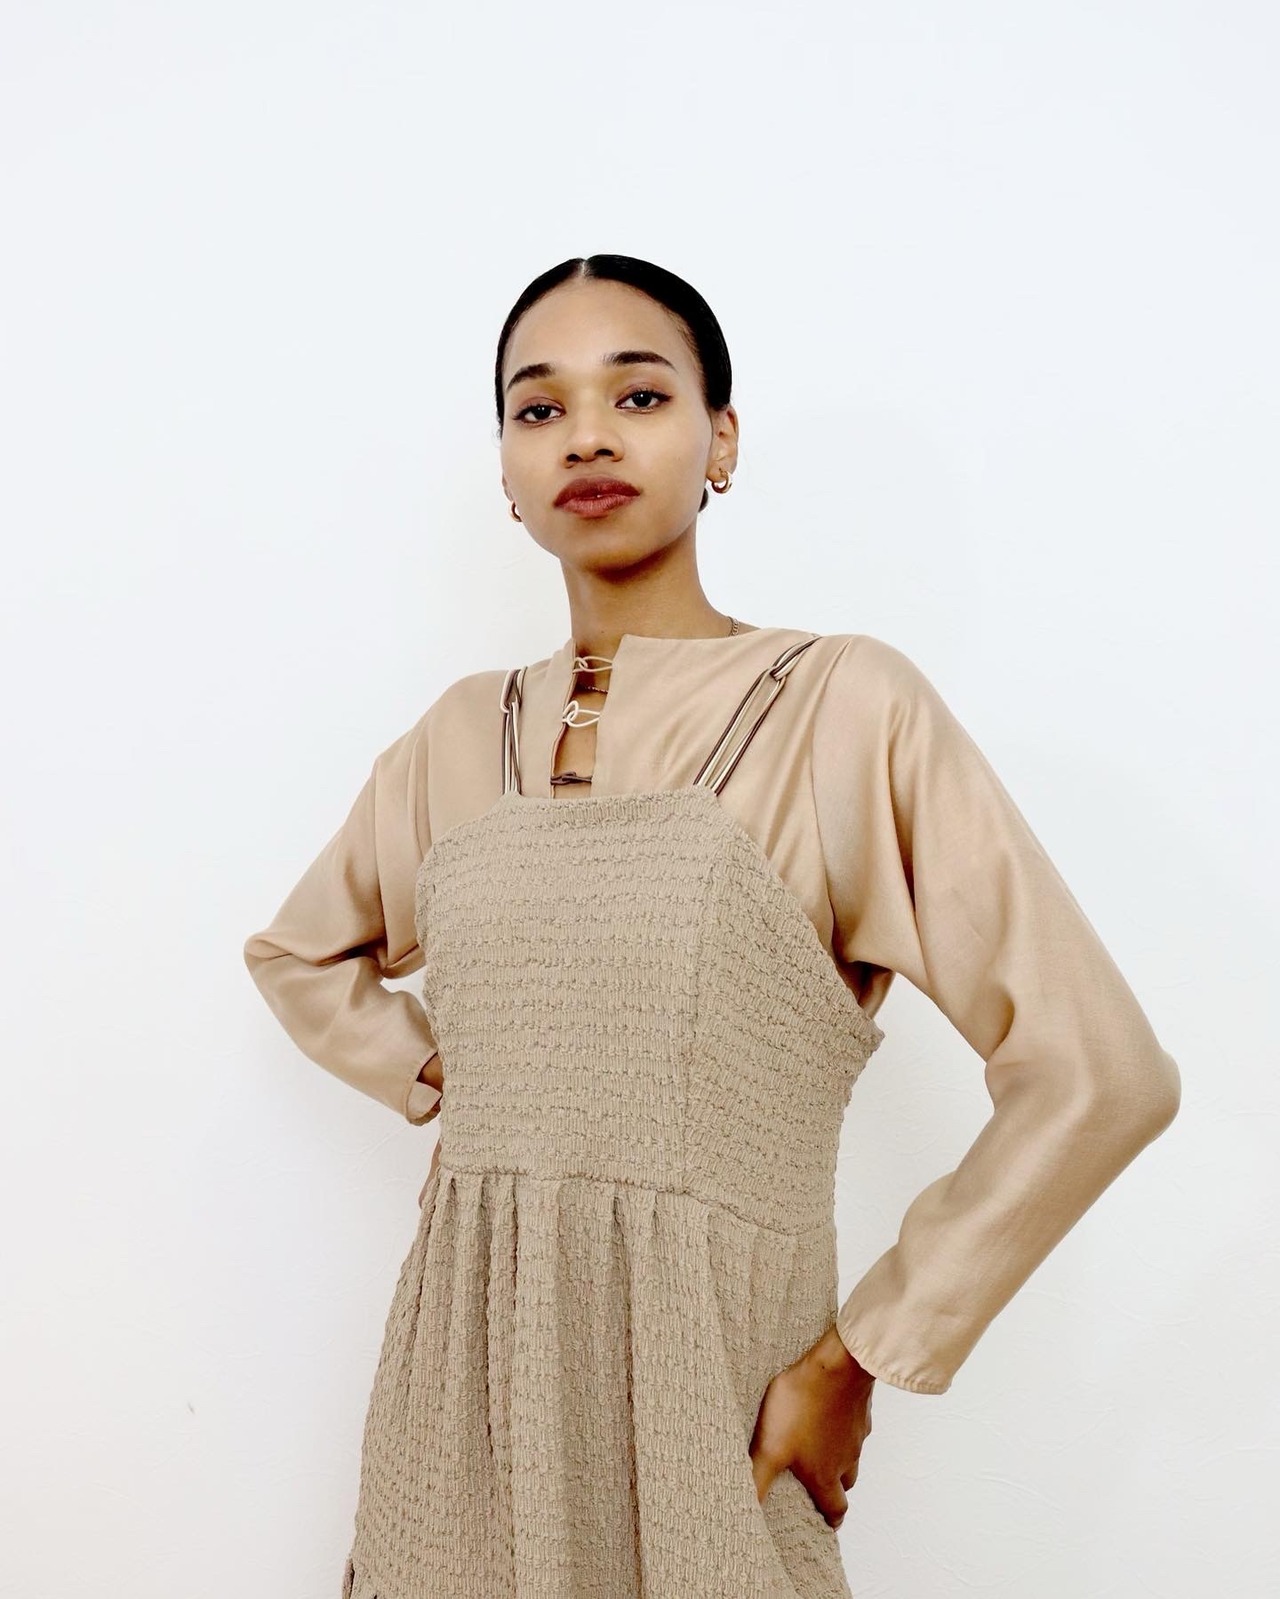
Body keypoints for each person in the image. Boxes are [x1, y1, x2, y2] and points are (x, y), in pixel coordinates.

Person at [243, 254, 1182, 1599]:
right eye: (539, 408)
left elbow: (1102, 1075)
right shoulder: (458, 736)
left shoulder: (843, 707)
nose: (587, 437)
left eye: (638, 395)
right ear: (506, 473)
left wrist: (864, 1353)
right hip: (466, 1399)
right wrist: (449, 1069)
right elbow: (294, 952)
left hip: (714, 1398)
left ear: (720, 439)